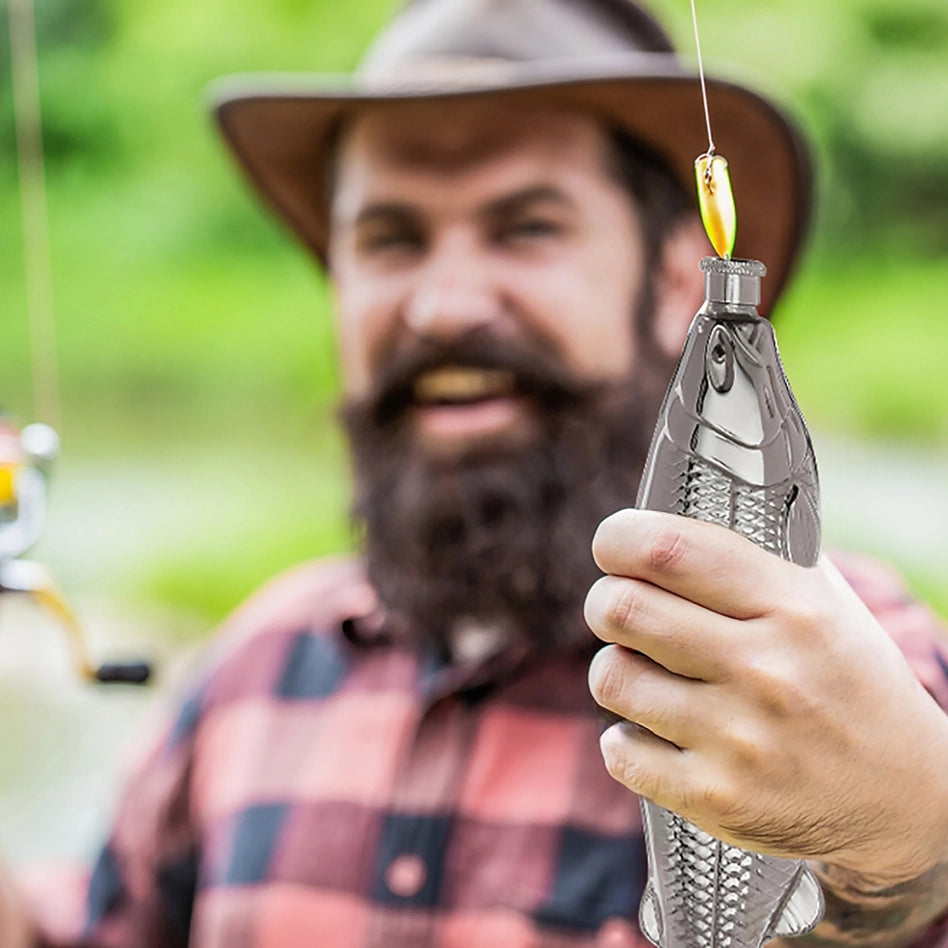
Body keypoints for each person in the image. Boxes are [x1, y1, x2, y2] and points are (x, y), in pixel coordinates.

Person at [5, 0, 948, 945]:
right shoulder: (254, 663)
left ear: (672, 284)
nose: (444, 306)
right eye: (391, 239)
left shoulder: (840, 652)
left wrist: (905, 832)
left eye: (526, 227)